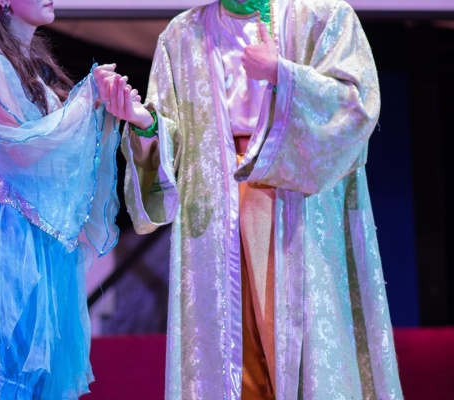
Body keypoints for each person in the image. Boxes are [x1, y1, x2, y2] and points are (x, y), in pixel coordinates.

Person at [105, 0, 403, 398]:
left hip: (293, 200)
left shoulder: (322, 15)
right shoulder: (182, 35)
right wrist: (145, 124)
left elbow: (357, 104)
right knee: (235, 351)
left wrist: (284, 74)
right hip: (216, 213)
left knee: (293, 340)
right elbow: (174, 140)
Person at [0, 1, 130, 399]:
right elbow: (19, 149)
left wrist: (100, 107)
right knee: (8, 371)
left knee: (44, 377)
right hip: (7, 222)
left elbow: (60, 151)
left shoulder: (34, 67)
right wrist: (84, 100)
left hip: (46, 230)